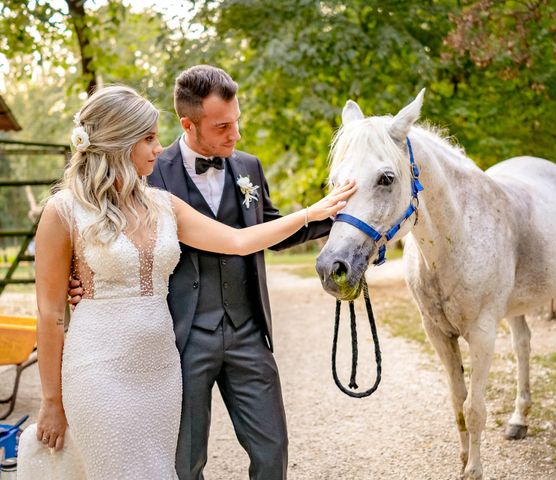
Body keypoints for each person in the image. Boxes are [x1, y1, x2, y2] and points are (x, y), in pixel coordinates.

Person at [16, 85, 354, 480]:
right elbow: (51, 313)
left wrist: (312, 213)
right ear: (118, 142)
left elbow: (239, 240)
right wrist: (52, 401)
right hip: (98, 369)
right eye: (148, 138)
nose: (158, 148)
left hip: (160, 371)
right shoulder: (63, 212)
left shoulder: (164, 205)